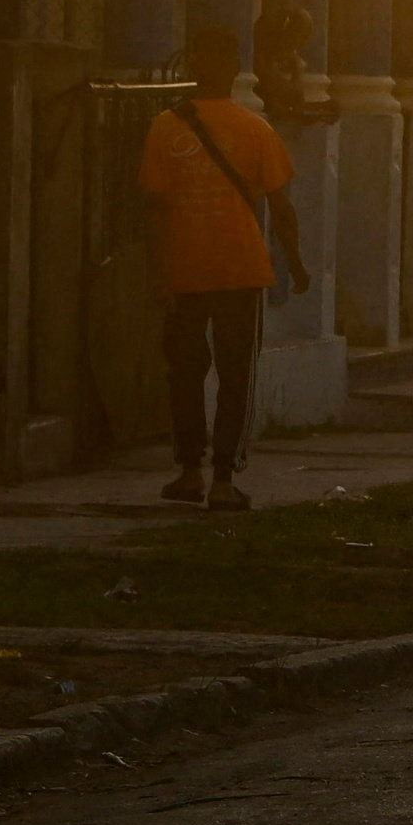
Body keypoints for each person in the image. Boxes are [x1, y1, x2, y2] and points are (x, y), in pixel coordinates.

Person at [139, 27, 301, 510]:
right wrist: (296, 261)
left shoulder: (165, 127)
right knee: (236, 377)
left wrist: (156, 271)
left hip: (185, 269)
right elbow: (282, 206)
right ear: (234, 73)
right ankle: (225, 479)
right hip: (241, 269)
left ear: (192, 71)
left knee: (185, 373)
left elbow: (153, 208)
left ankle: (190, 473)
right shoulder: (256, 129)